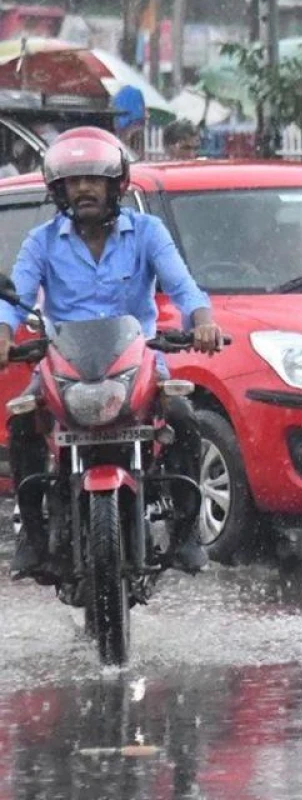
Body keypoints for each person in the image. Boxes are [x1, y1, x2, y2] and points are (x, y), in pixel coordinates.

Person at [2, 129, 224, 583]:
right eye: (73, 181)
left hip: (137, 361)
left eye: (94, 179)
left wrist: (202, 320)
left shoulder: (148, 232)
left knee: (183, 416)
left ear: (115, 184)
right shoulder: (41, 242)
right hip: (65, 365)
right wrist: (3, 332)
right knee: (21, 420)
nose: (83, 189)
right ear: (58, 190)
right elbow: (15, 298)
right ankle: (34, 534)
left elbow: (184, 286)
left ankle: (185, 533)